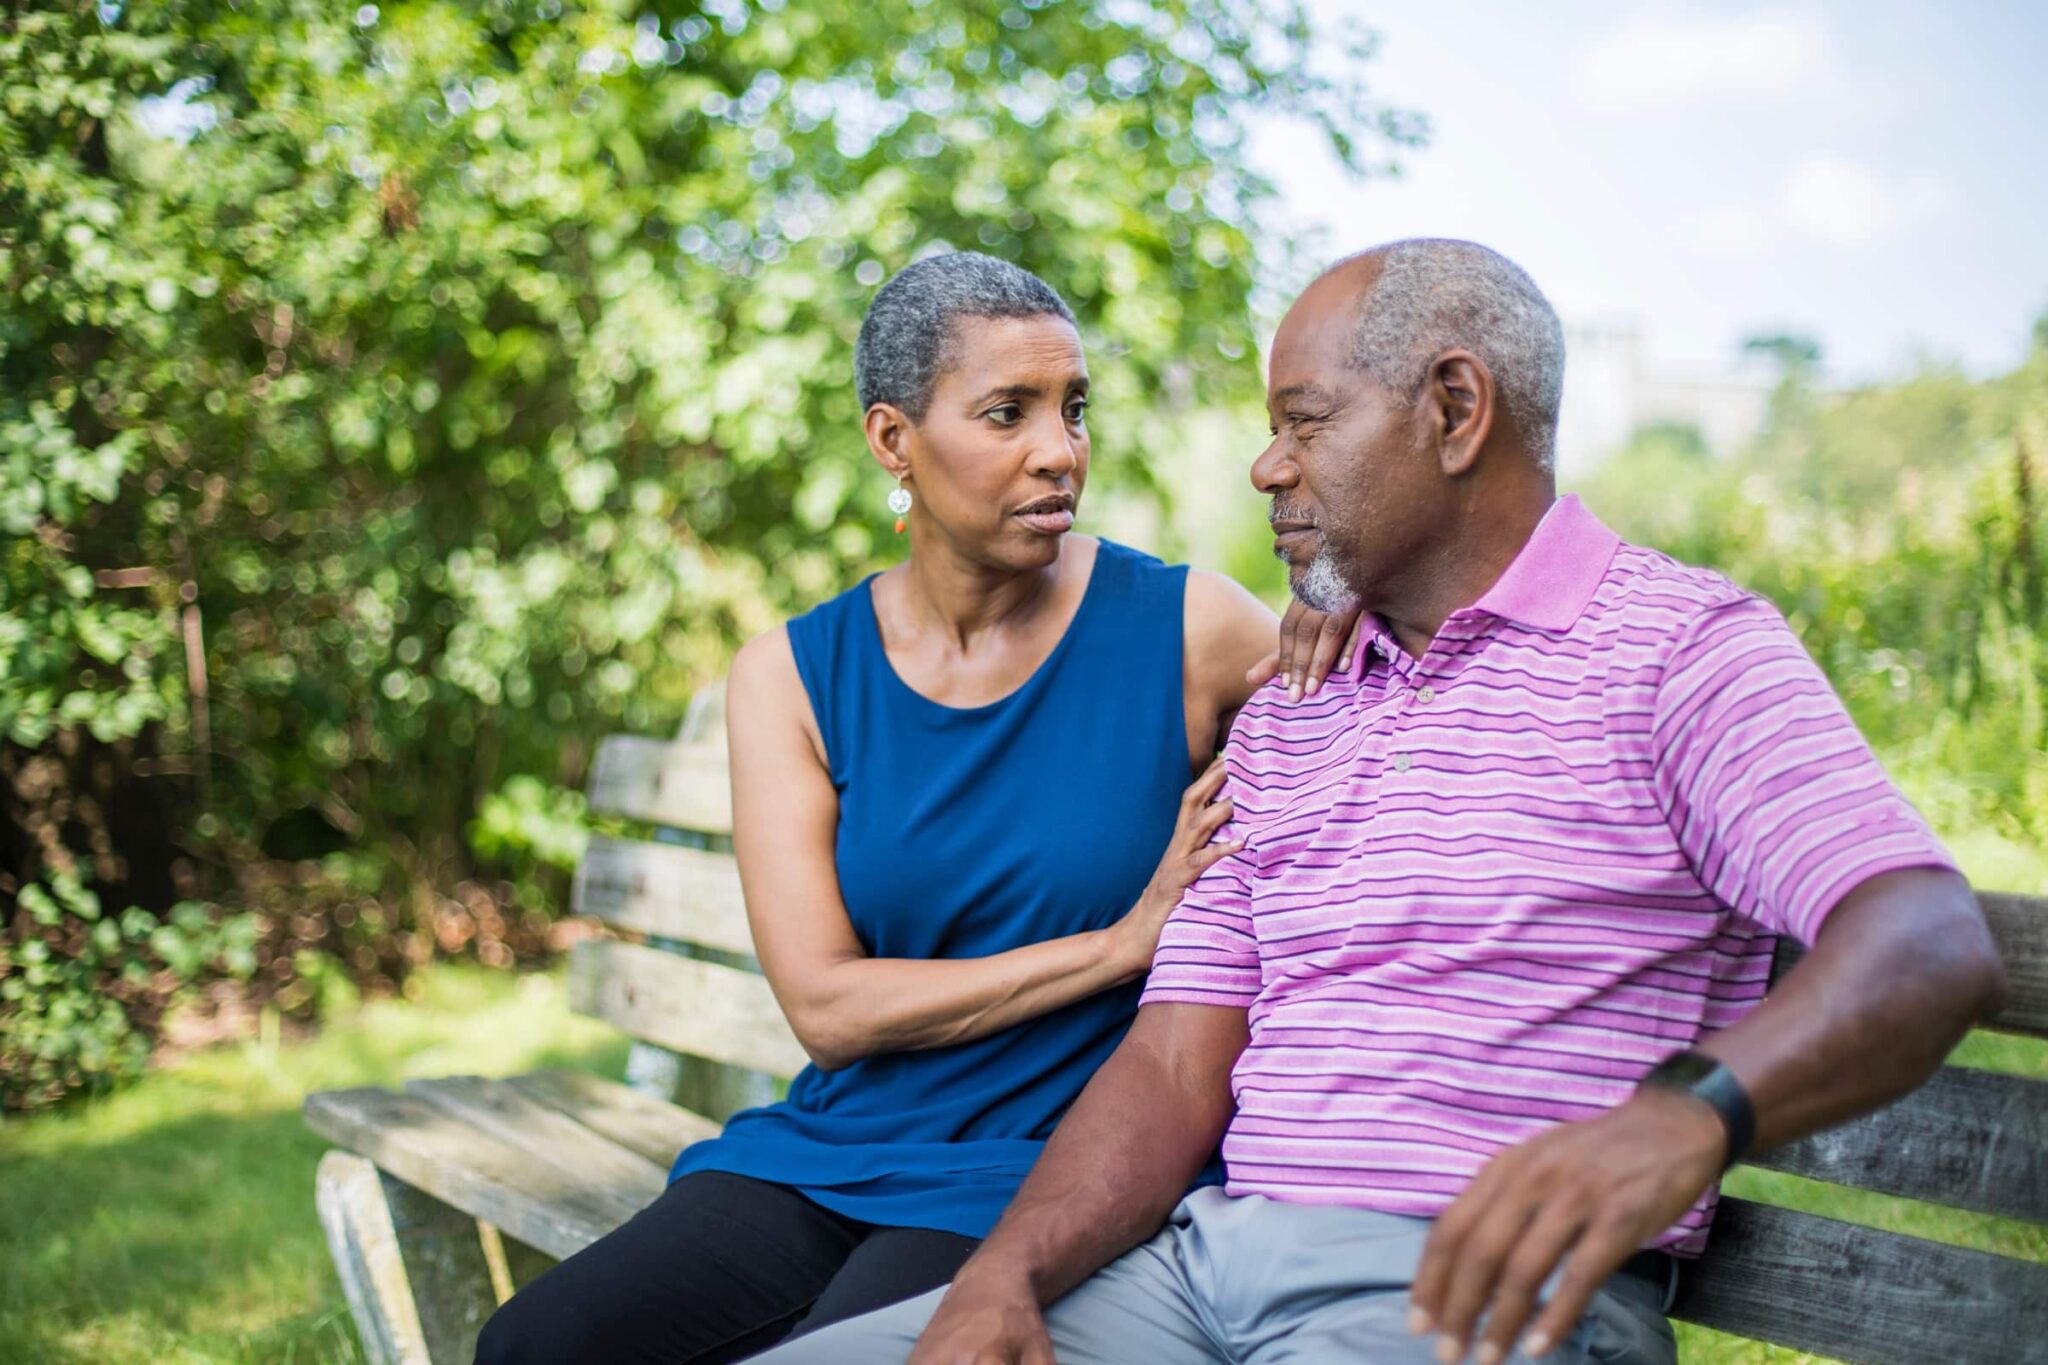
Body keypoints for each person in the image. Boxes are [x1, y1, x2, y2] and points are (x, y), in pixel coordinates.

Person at [751, 239, 2010, 1365]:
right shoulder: (1298, 707)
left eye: (1304, 423)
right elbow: (1176, 1059)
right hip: (1191, 1277)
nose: (1264, 466)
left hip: (1464, 1296)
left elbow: (1923, 938)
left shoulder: (1677, 652)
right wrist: (1004, 1277)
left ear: (1454, 410)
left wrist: (1692, 1114)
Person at [474, 252, 1356, 1365]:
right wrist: (1121, 944)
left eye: (1072, 409)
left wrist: (1341, 597)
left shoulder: (1183, 628)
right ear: (892, 440)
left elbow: (1395, 712)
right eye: (1007, 413)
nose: (1058, 450)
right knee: (534, 1347)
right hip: (834, 1149)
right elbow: (830, 1009)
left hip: (1052, 1167)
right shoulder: (793, 675)